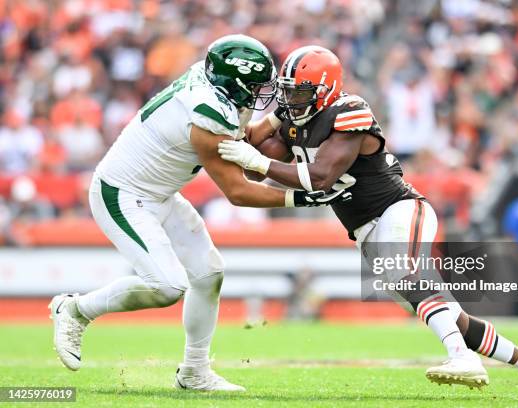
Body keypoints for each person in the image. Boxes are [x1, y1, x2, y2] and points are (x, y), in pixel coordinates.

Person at [218, 45, 518, 400]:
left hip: (400, 208)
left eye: (299, 91)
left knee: (405, 275)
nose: (291, 99)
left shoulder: (349, 111)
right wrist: (261, 125)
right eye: (287, 91)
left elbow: (319, 176)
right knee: (448, 317)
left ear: (325, 90)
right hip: (366, 230)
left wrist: (256, 161)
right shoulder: (295, 120)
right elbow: (253, 155)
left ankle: (463, 359)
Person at [48, 35, 350, 392]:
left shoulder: (215, 88)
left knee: (209, 273)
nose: (261, 95)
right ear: (232, 83)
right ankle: (76, 309)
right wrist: (302, 198)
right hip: (123, 194)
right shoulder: (208, 111)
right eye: (254, 86)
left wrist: (278, 121)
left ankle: (194, 371)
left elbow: (243, 141)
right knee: (168, 286)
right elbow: (239, 190)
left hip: (160, 193)